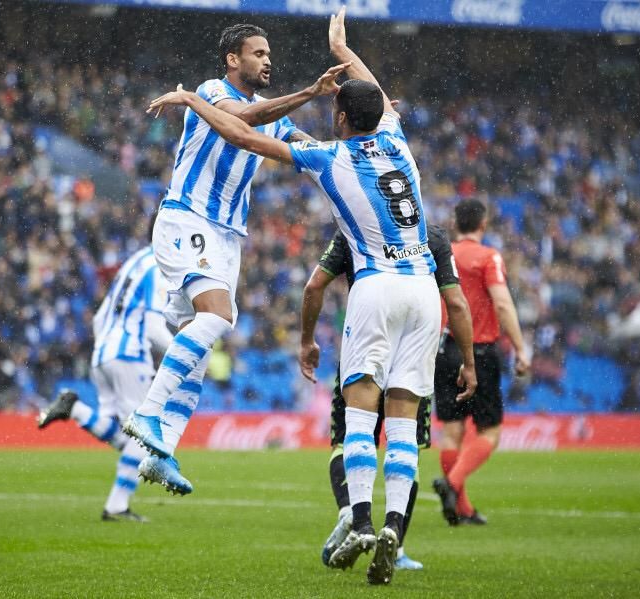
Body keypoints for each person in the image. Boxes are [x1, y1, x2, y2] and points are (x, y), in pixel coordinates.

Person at [146, 6, 446, 585]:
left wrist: (189, 100)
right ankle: (393, 528)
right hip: (425, 289)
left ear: (338, 116)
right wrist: (342, 47)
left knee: (360, 416)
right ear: (380, 113)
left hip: (378, 285)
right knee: (405, 422)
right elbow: (374, 94)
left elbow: (236, 131)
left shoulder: (332, 155)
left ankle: (359, 517)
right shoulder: (397, 140)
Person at [122, 23, 347, 494]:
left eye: (269, 54)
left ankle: (161, 453)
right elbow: (246, 118)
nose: (268, 61)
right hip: (189, 218)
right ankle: (146, 412)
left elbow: (300, 141)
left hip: (227, 237)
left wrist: (353, 148)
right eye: (258, 53)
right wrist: (310, 90)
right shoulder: (210, 92)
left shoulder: (277, 118)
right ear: (232, 59)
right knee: (219, 318)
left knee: (200, 344)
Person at [300, 225, 476, 571]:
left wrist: (307, 340)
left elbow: (315, 284)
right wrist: (469, 361)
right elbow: (455, 301)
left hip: (367, 334)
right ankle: (394, 538)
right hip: (418, 335)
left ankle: (355, 515)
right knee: (404, 438)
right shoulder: (433, 235)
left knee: (349, 436)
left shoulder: (353, 225)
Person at [38, 245, 172, 521]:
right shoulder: (158, 266)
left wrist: (107, 349)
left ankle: (74, 408)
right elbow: (154, 328)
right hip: (129, 354)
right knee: (143, 436)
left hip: (103, 354)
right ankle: (116, 506)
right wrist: (184, 360)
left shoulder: (132, 263)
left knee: (124, 439)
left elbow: (100, 318)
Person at [432, 199, 530, 525]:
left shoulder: (441, 255)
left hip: (445, 348)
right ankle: (452, 484)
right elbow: (502, 304)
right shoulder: (489, 257)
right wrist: (520, 347)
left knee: (451, 432)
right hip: (479, 350)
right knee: (489, 432)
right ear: (482, 225)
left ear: (455, 222)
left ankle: (462, 508)